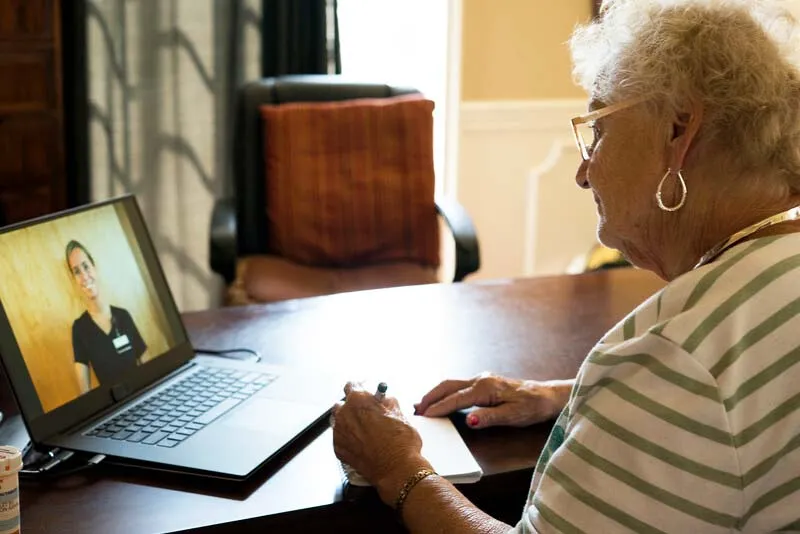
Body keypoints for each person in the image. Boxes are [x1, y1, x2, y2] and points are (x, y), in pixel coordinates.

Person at [331, 0, 800, 531]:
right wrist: (573, 395)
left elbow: (699, 381)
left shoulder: (675, 357)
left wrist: (399, 467)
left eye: (597, 129)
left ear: (678, 131)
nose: (582, 171)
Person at [66, 240, 147, 393]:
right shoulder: (79, 328)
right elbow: (85, 394)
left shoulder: (123, 316)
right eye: (76, 272)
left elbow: (146, 366)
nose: (84, 276)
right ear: (74, 280)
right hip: (113, 408)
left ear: (94, 267)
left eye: (86, 266)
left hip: (141, 396)